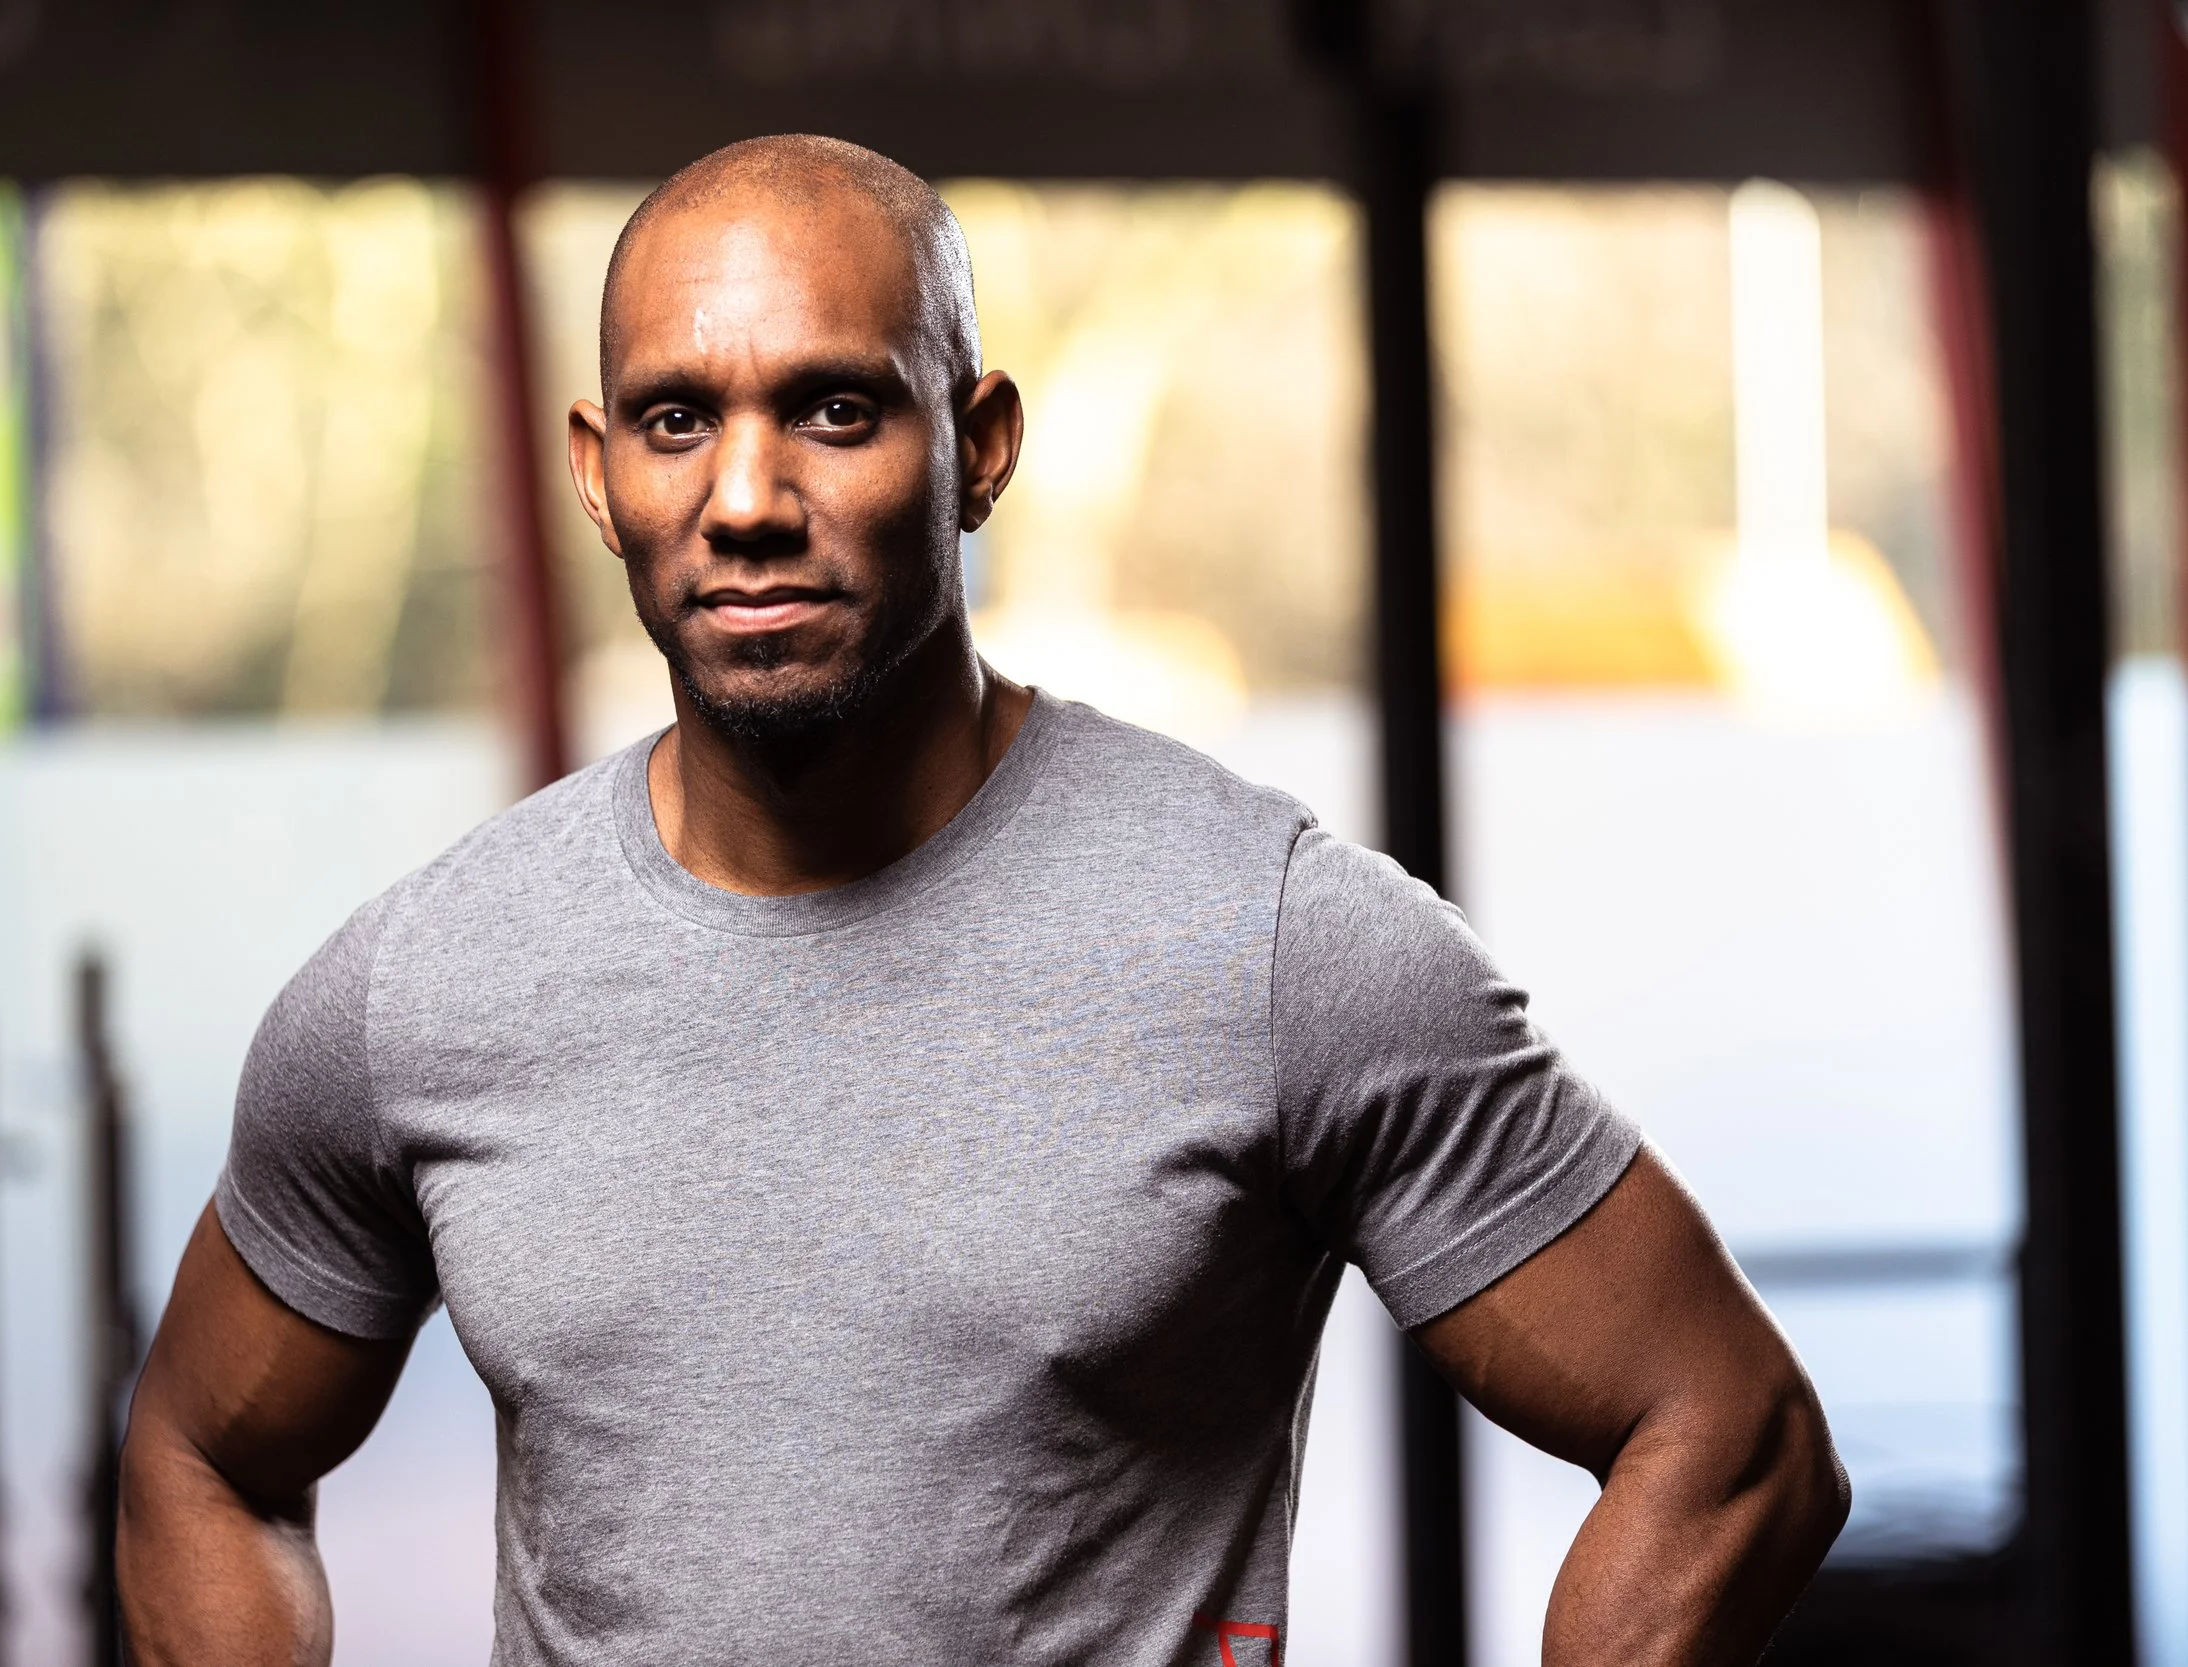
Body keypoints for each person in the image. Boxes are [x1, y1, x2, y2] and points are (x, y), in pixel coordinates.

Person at [119, 135, 1847, 1667]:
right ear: (596, 473)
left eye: (835, 409)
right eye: (675, 421)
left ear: (982, 445)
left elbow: (1731, 1428)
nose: (745, 501)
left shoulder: (1269, 941)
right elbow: (199, 1454)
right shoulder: (429, 982)